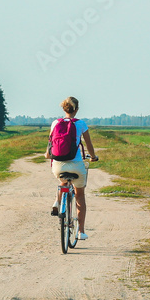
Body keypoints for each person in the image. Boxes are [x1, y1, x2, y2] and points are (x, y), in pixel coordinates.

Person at [44, 96, 99, 240]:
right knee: (79, 195)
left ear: (63, 108)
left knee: (63, 179)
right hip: (76, 165)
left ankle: (58, 200)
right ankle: (81, 232)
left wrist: (47, 155)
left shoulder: (55, 123)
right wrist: (92, 156)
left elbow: (50, 144)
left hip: (58, 165)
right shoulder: (81, 124)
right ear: (77, 109)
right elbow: (89, 145)